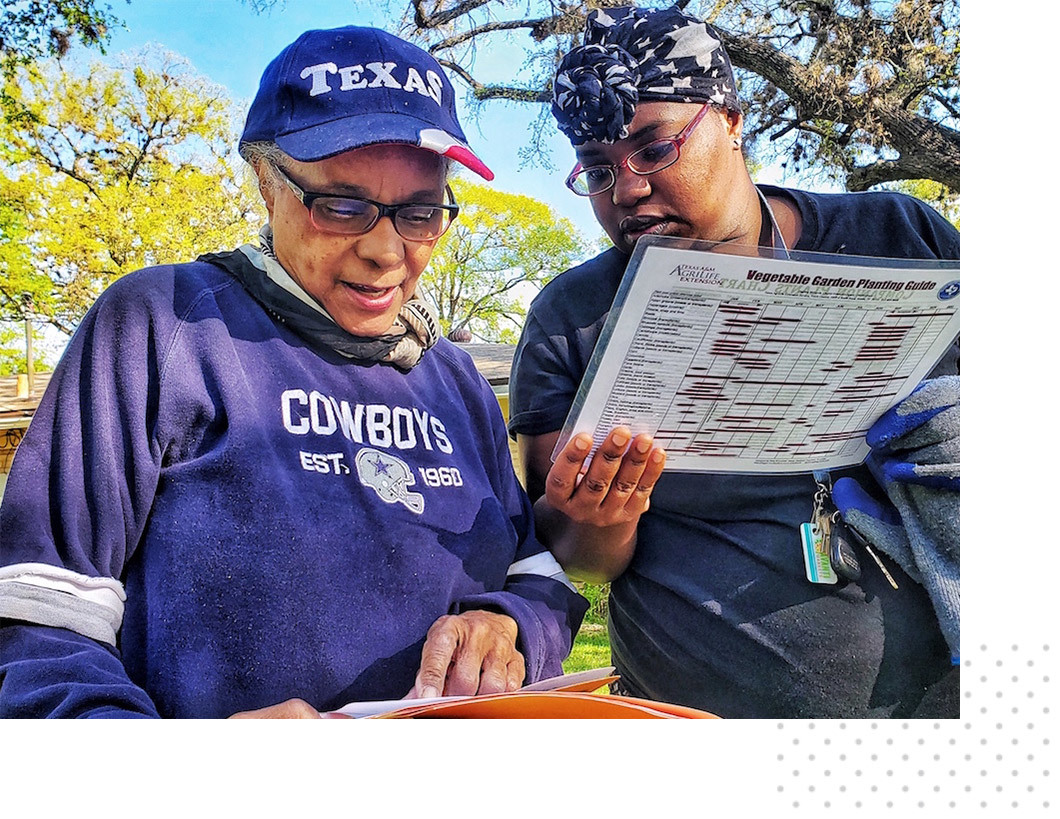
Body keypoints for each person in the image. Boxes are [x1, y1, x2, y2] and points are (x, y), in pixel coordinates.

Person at [0, 25, 586, 719]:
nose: (383, 249)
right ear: (266, 183)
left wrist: (509, 622)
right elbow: (37, 621)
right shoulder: (166, 326)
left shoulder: (456, 380)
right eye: (341, 206)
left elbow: (536, 572)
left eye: (421, 213)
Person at [509, 6, 959, 719]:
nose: (625, 190)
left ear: (732, 121)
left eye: (653, 149)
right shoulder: (570, 317)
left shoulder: (899, 234)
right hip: (692, 725)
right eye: (596, 169)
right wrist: (599, 516)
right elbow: (581, 556)